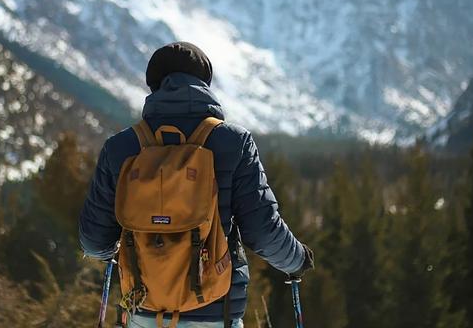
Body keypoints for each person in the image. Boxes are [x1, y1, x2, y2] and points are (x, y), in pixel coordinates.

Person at [79, 42, 314, 327]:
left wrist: (121, 251)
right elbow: (262, 231)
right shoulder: (233, 142)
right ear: (204, 83)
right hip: (215, 311)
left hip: (142, 309)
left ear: (153, 85)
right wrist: (296, 260)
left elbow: (94, 241)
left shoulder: (121, 147)